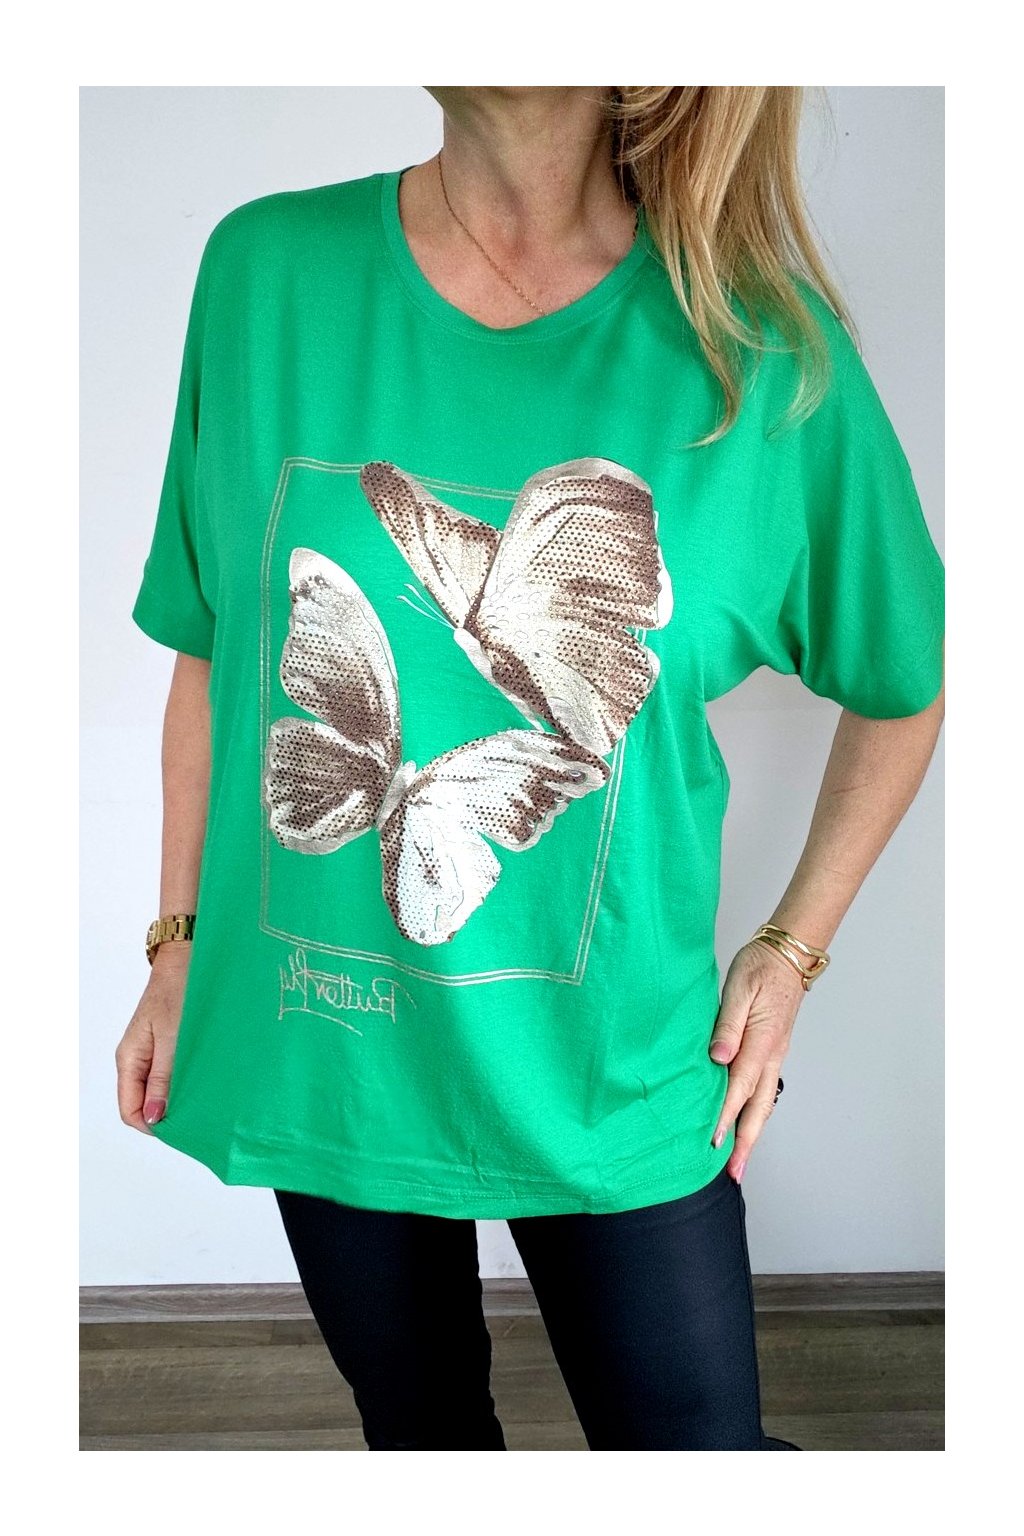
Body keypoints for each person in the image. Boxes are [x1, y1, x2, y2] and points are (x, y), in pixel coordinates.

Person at [115, 86, 945, 1451]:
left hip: (614, 1077)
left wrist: (792, 951)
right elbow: (212, 655)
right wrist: (176, 943)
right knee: (424, 1436)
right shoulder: (266, 274)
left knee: (698, 1465)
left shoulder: (762, 352)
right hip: (328, 1046)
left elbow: (907, 682)